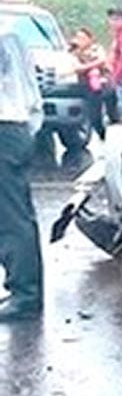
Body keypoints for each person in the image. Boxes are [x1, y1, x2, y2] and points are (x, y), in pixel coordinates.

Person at [0, 22, 44, 322]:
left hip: (4, 127)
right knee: (16, 213)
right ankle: (24, 289)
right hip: (17, 126)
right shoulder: (11, 31)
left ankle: (25, 294)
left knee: (12, 217)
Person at [69, 27, 119, 140]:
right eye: (78, 38)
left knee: (113, 112)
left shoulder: (97, 48)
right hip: (88, 88)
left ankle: (116, 135)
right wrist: (93, 66)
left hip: (105, 84)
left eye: (83, 38)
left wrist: (90, 66)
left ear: (90, 39)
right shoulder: (74, 53)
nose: (80, 40)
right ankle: (102, 136)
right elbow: (77, 68)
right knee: (95, 116)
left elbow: (102, 60)